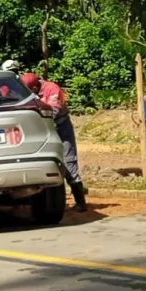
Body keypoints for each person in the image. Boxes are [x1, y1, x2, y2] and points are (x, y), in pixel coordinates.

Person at [20, 72, 88, 212]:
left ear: (36, 86)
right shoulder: (23, 91)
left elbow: (54, 112)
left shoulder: (52, 89)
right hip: (40, 129)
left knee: (69, 161)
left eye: (31, 90)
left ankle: (80, 201)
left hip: (61, 127)